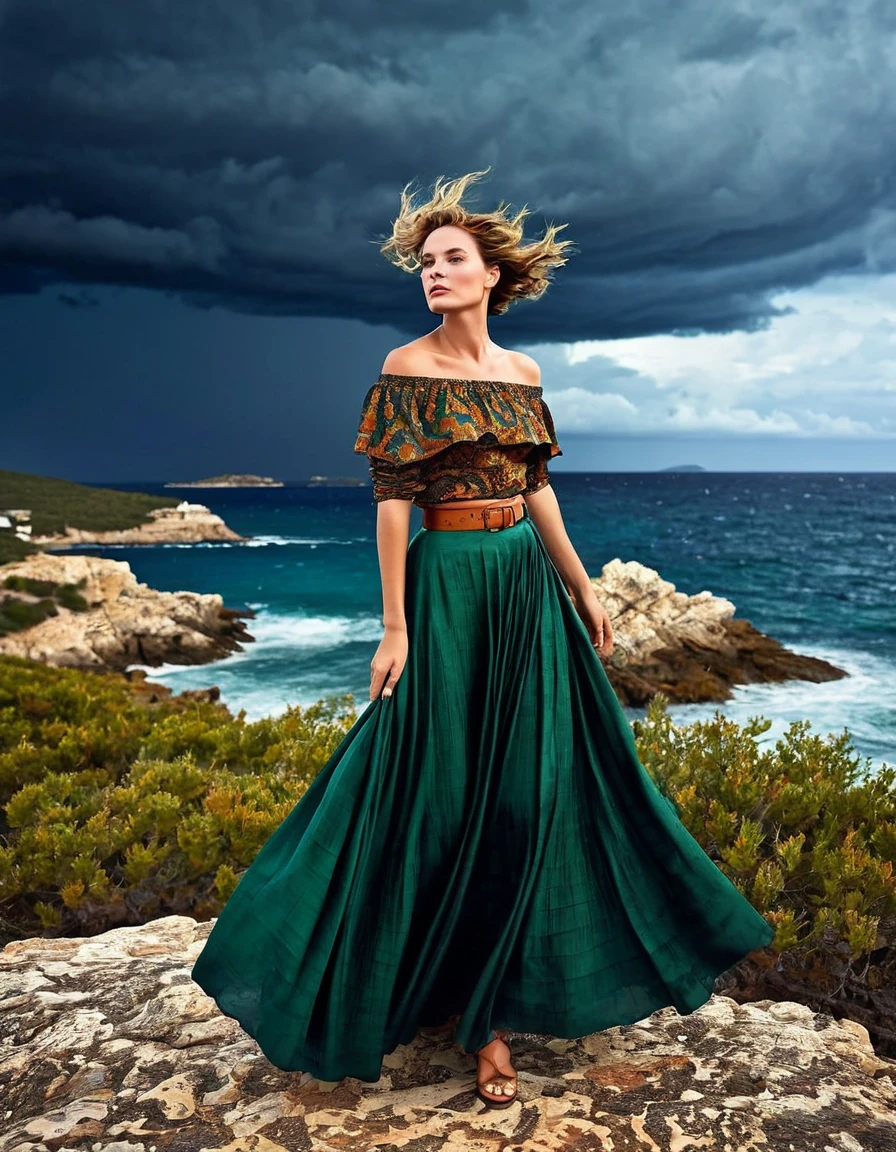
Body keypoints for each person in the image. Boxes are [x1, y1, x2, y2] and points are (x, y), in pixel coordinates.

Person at [190, 167, 775, 1109]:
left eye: (452, 259)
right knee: (433, 790)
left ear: (493, 275)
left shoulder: (523, 375)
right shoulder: (406, 368)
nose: (434, 273)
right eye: (424, 262)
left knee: (531, 794)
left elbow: (536, 485)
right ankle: (398, 982)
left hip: (523, 585)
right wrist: (394, 625)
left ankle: (492, 1021)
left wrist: (582, 585)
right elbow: (390, 503)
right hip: (449, 584)